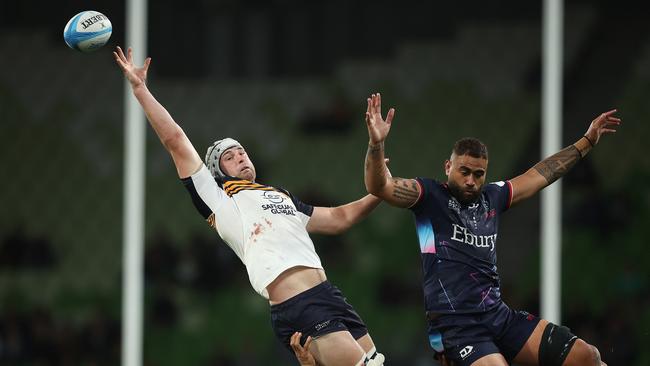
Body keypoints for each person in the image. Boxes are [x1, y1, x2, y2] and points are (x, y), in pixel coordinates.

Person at [113, 46, 385, 366]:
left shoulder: (280, 197)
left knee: (377, 362)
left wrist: (383, 189)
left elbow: (340, 218)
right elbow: (175, 140)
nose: (239, 155)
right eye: (228, 156)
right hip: (298, 304)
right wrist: (140, 89)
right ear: (217, 172)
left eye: (241, 150)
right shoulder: (219, 199)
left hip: (329, 296)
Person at [363, 93, 619, 366]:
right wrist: (376, 144)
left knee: (587, 357)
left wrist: (587, 141)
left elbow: (538, 175)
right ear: (448, 167)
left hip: (498, 317)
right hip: (457, 327)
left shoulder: (493, 197)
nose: (471, 181)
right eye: (464, 171)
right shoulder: (428, 197)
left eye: (478, 174)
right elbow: (380, 187)